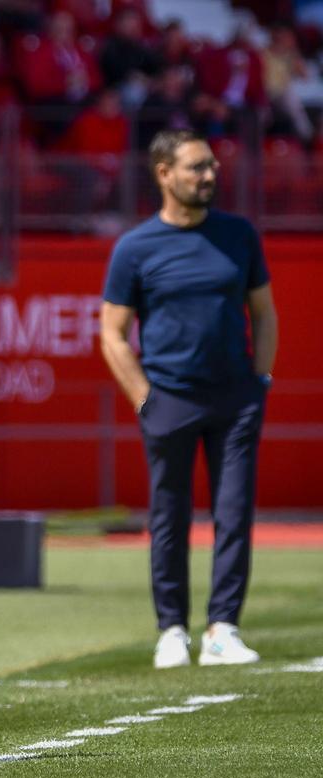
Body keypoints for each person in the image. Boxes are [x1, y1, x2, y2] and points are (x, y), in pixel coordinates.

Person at [99, 129, 278, 670]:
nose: (209, 175)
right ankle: (172, 630)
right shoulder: (135, 248)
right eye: (197, 167)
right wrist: (144, 399)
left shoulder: (238, 235)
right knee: (169, 518)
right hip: (169, 399)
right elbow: (112, 333)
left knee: (234, 514)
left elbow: (264, 313)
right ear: (164, 174)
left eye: (212, 166)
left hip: (235, 399)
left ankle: (223, 629)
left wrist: (260, 382)